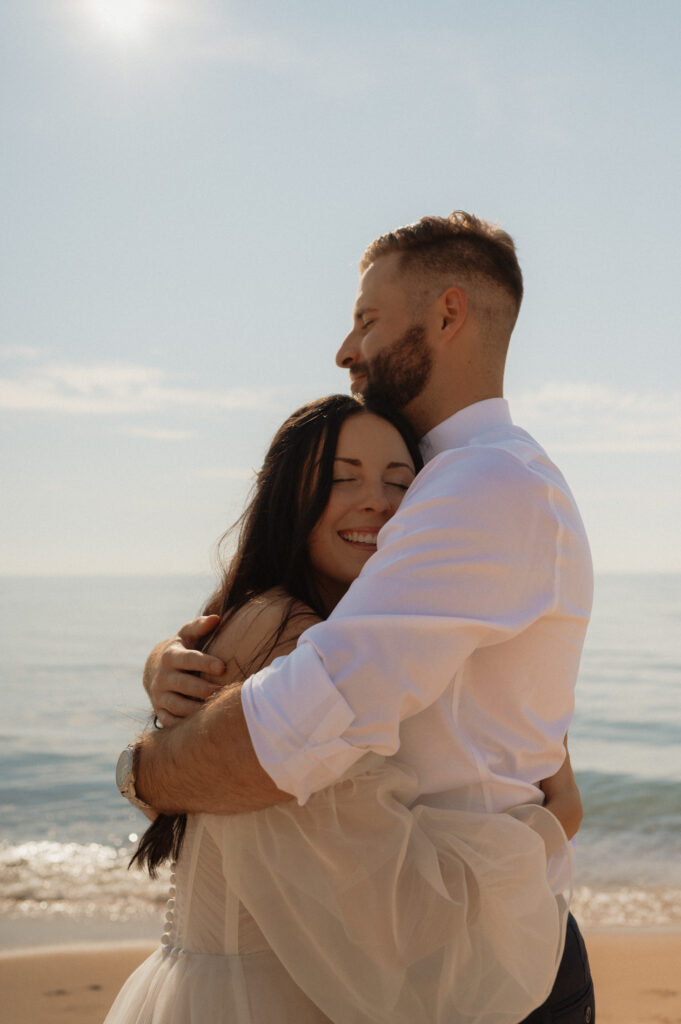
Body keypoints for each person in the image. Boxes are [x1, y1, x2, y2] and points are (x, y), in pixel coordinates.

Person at [130, 212, 596, 1022]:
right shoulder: (461, 481)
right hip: (438, 950)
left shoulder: (481, 483)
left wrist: (143, 771)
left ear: (447, 314)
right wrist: (176, 658)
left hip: (471, 967)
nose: (345, 351)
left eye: (366, 321)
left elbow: (300, 725)